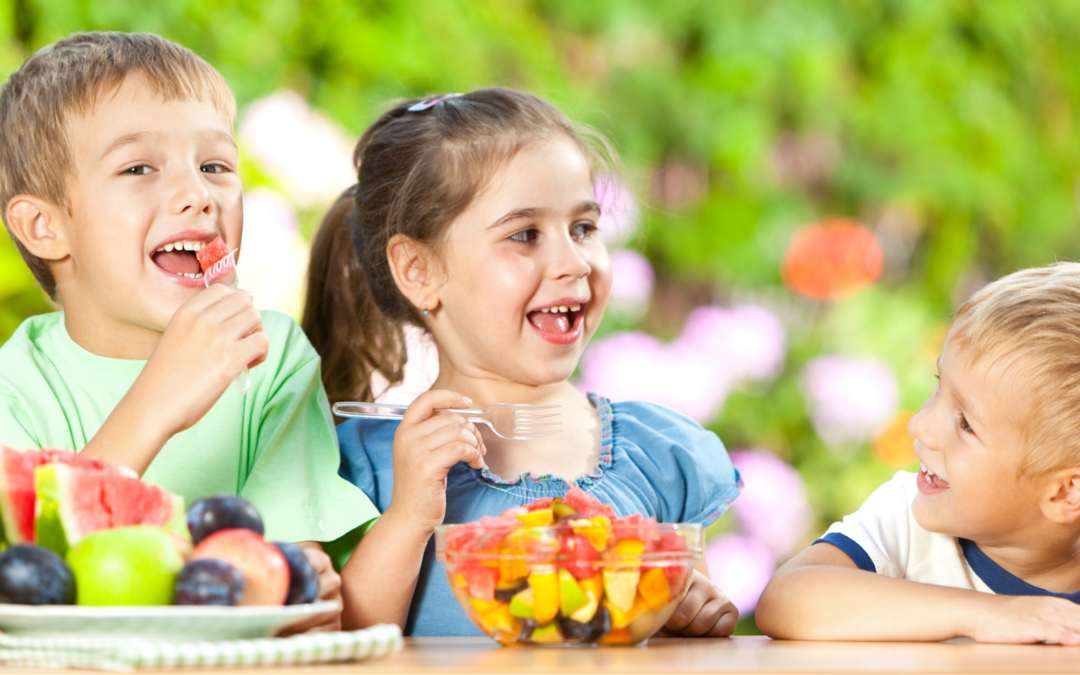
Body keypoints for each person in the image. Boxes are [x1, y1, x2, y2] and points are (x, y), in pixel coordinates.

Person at [303, 88, 743, 636]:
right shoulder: (368, 467)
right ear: (417, 269)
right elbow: (346, 640)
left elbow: (683, 630)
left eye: (583, 228)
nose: (573, 262)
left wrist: (687, 608)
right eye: (525, 235)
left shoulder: (658, 455)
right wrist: (409, 517)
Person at [0, 32, 379, 628]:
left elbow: (284, 576)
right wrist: (158, 399)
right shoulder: (16, 383)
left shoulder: (271, 355)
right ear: (44, 227)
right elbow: (23, 582)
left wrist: (297, 579)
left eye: (214, 166)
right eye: (138, 167)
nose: (199, 195)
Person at [757, 263, 1080, 644]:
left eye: (966, 424)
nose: (919, 425)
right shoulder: (905, 521)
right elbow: (787, 599)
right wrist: (983, 614)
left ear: (1065, 493)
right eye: (937, 386)